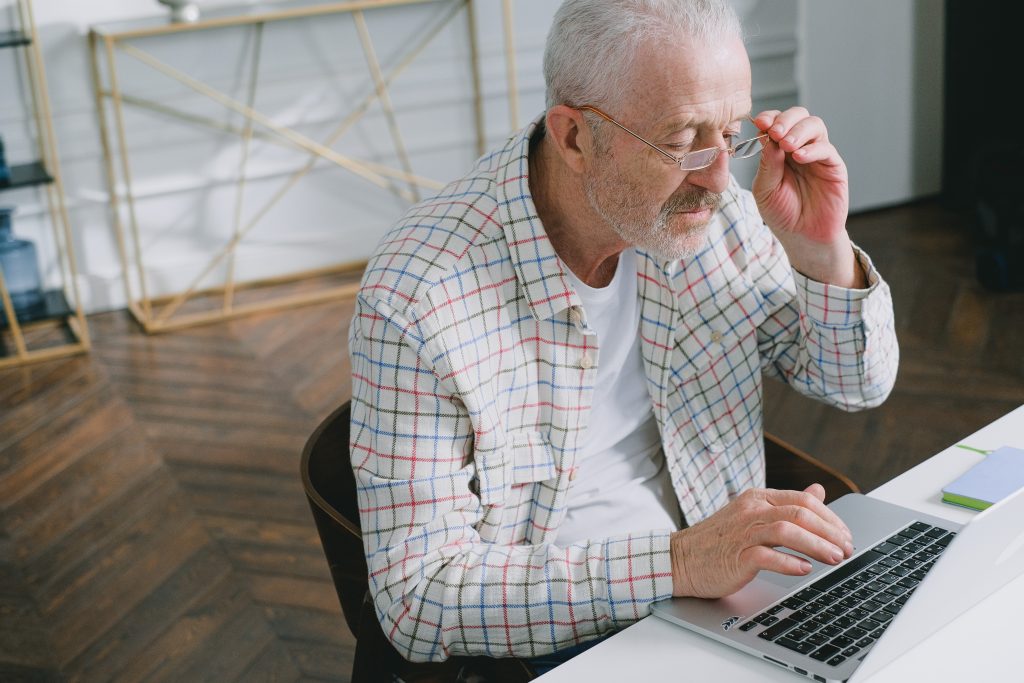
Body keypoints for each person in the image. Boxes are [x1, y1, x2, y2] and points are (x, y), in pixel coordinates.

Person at [347, 0, 898, 669]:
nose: (721, 178)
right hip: (555, 638)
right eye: (685, 140)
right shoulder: (421, 293)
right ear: (575, 137)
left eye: (730, 134)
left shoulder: (713, 215)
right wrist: (679, 563)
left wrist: (821, 252)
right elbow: (416, 599)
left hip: (735, 599)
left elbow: (854, 382)